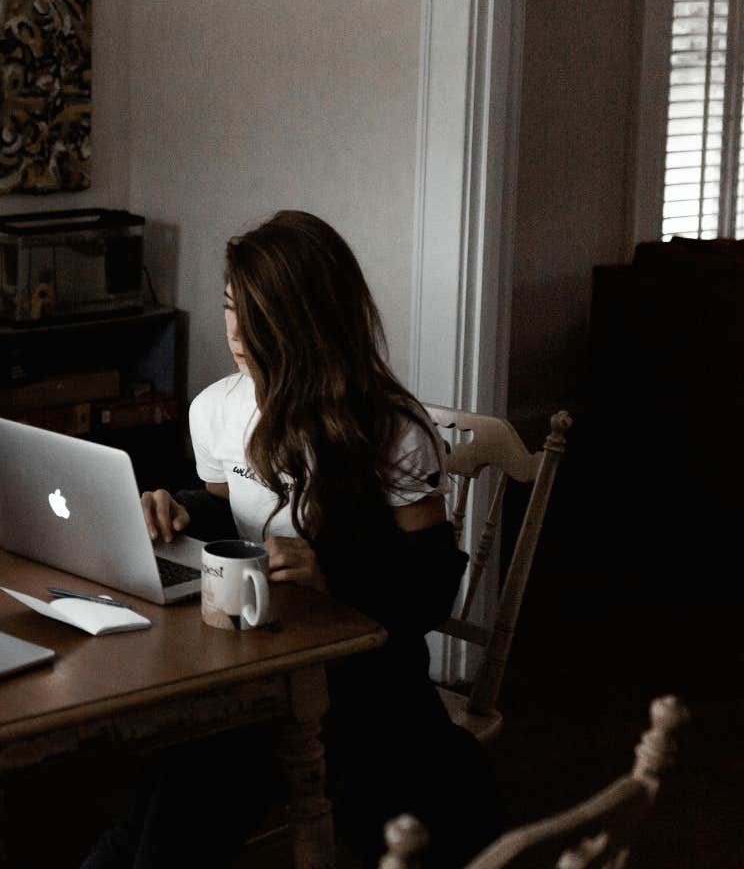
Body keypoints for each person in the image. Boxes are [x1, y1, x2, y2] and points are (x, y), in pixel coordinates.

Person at [86, 211, 500, 868]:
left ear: (310, 318)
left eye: (259, 313)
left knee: (186, 796)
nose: (237, 333)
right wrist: (178, 511)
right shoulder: (217, 409)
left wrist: (333, 573)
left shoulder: (390, 429)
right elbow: (234, 512)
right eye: (229, 306)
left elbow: (432, 582)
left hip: (359, 678)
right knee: (159, 803)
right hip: (254, 660)